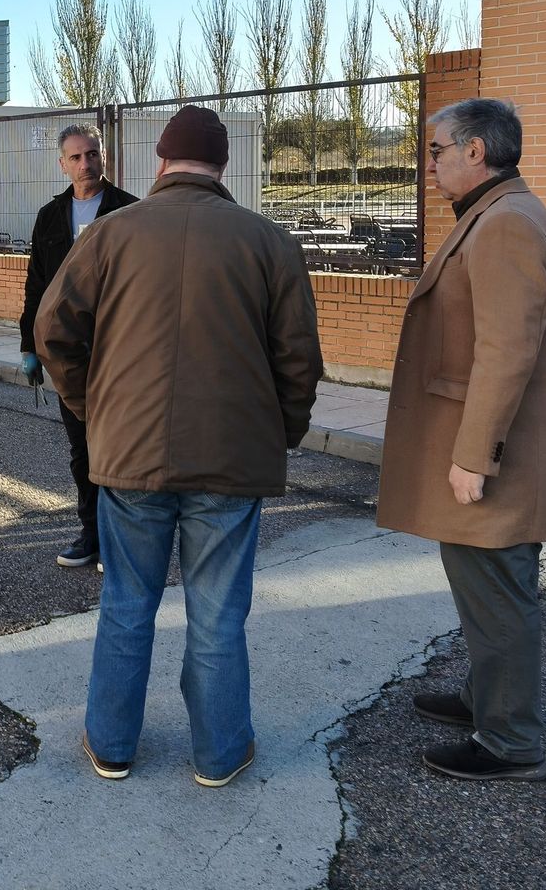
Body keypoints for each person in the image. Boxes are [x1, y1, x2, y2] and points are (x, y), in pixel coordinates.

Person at [36, 105, 322, 786]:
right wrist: (280, 433)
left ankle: (111, 744)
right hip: (232, 460)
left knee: (128, 604)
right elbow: (299, 361)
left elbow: (54, 332)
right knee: (219, 612)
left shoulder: (110, 235)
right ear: (222, 167)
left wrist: (91, 408)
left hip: (130, 457)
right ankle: (220, 753)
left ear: (161, 162)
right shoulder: (268, 241)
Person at [378, 98, 546, 782]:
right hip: (491, 452)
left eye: (436, 151)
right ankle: (483, 701)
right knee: (483, 591)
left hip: (497, 458)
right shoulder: (497, 214)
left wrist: (472, 456)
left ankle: (510, 741)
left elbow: (506, 352)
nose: (429, 164)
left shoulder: (506, 224)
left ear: (475, 152)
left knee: (499, 596)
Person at [18, 123, 138, 568]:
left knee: (121, 447)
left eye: (92, 154)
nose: (85, 164)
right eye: (76, 157)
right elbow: (36, 286)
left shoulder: (129, 211)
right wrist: (29, 343)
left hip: (119, 349)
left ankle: (119, 538)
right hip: (68, 354)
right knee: (82, 448)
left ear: (103, 156)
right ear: (62, 164)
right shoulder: (50, 217)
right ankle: (92, 534)